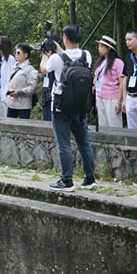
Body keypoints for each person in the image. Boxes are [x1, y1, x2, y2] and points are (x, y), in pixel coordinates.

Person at [45, 24, 97, 191]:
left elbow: (44, 69)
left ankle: (66, 180)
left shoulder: (56, 58)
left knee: (64, 144)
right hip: (81, 105)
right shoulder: (86, 55)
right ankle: (90, 178)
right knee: (84, 142)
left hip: (61, 107)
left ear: (65, 39)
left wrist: (47, 54)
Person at [93, 35, 126, 128]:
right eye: (99, 46)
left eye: (102, 46)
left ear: (109, 48)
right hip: (100, 96)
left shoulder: (118, 63)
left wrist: (119, 101)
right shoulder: (101, 62)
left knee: (114, 123)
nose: (99, 49)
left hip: (112, 98)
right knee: (102, 124)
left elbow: (122, 83)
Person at [6, 44, 38, 119]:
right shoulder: (14, 67)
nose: (16, 55)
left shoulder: (30, 69)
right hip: (11, 103)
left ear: (25, 55)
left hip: (23, 105)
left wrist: (20, 92)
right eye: (15, 53)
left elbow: (33, 86)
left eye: (18, 53)